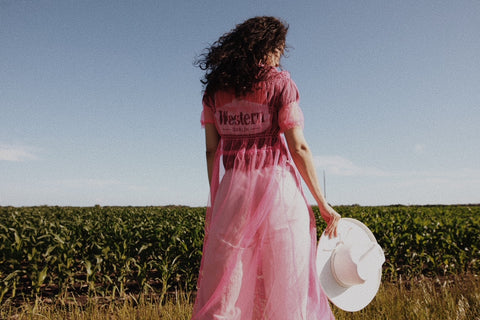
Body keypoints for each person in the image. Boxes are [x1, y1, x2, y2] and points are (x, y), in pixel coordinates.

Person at [192, 16, 341, 320]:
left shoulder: (214, 92)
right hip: (278, 191)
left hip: (234, 191)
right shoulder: (280, 83)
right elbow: (298, 147)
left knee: (227, 286)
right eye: (279, 50)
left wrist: (217, 199)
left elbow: (211, 150)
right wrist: (323, 204)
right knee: (288, 285)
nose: (279, 58)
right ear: (270, 47)